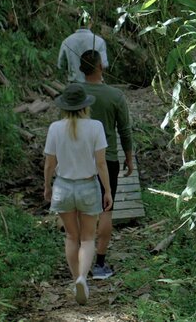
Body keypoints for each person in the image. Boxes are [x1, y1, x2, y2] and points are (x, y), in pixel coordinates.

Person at [43, 83, 113, 305]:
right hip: (87, 186)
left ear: (64, 107)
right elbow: (101, 163)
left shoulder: (55, 128)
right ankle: (83, 277)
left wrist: (47, 186)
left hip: (63, 187)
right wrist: (108, 190)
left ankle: (76, 280)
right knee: (87, 237)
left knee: (71, 236)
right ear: (85, 106)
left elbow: (49, 163)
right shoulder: (95, 127)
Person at [78, 49, 134, 280]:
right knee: (106, 211)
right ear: (100, 67)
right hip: (107, 159)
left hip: (78, 160)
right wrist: (129, 157)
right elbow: (125, 130)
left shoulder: (75, 94)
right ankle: (99, 264)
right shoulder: (114, 95)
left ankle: (82, 260)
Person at [58, 16, 109, 83]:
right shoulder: (99, 41)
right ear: (90, 23)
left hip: (75, 84)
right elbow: (104, 64)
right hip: (94, 83)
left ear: (77, 23)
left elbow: (61, 65)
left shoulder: (67, 41)